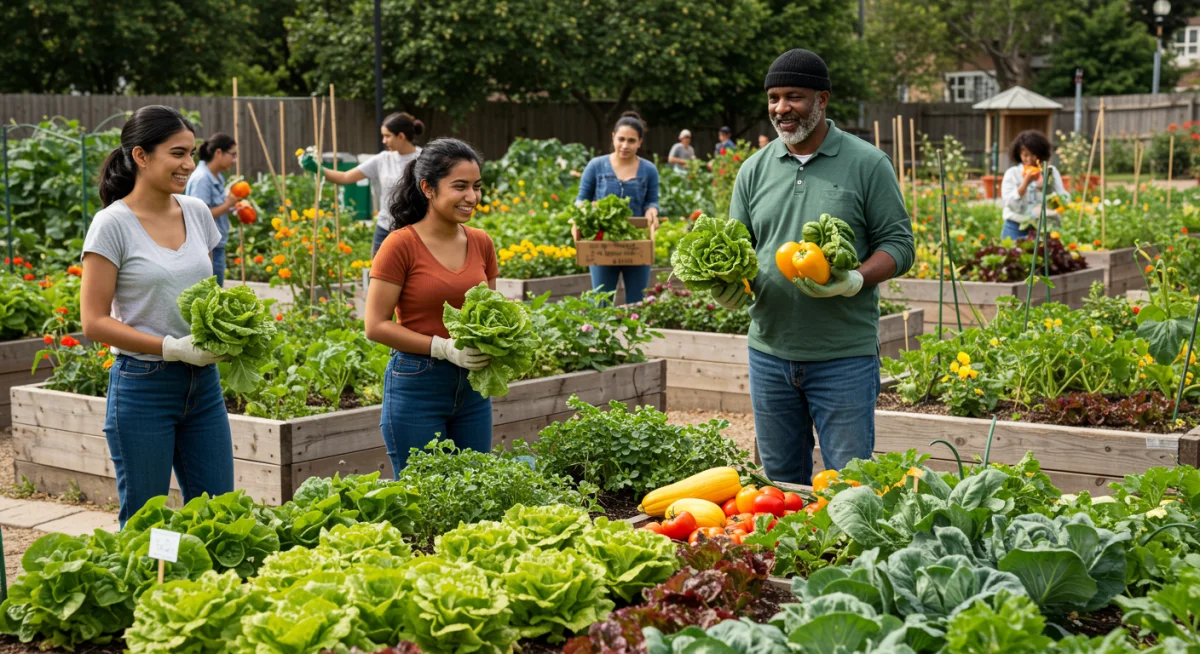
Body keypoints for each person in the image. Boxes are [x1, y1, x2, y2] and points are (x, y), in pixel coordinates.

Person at [711, 49, 914, 485]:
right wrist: (727, 285)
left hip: (842, 355)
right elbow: (737, 249)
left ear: (822, 99)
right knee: (780, 484)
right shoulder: (753, 169)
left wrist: (855, 278)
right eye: (773, 98)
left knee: (849, 483)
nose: (781, 109)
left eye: (794, 97)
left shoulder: (867, 164)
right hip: (768, 352)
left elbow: (900, 245)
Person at [81, 106, 231, 526]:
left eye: (192, 153)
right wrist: (171, 347)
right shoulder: (112, 225)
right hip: (143, 387)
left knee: (218, 513)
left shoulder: (197, 212)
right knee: (146, 521)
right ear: (141, 156)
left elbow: (208, 296)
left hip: (203, 387)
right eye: (177, 153)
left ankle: (204, 592)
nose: (188, 164)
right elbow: (94, 322)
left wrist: (230, 332)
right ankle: (152, 591)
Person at [363, 138, 498, 475]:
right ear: (428, 188)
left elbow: (493, 314)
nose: (472, 197)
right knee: (424, 498)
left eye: (476, 187)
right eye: (460, 186)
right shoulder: (399, 245)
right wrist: (442, 347)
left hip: (473, 388)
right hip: (417, 385)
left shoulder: (481, 242)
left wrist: (500, 343)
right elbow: (375, 325)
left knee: (476, 489)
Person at [301, 112, 424, 257]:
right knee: (380, 275)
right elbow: (345, 177)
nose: (383, 141)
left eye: (387, 136)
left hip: (417, 229)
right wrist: (318, 169)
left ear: (401, 136)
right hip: (385, 228)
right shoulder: (383, 159)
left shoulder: (424, 159)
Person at [576, 111, 660, 306]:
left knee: (637, 303)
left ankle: (634, 336)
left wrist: (651, 211)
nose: (625, 145)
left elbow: (652, 201)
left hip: (635, 241)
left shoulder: (648, 170)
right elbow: (581, 199)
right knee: (601, 301)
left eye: (631, 141)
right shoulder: (596, 166)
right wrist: (587, 210)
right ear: (613, 137)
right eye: (621, 139)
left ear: (639, 142)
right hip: (602, 242)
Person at [185, 133, 238, 286]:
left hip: (216, 246)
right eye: (233, 155)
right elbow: (199, 216)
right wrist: (227, 204)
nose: (234, 160)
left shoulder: (216, 176)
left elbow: (214, 208)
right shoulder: (202, 179)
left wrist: (233, 206)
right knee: (211, 296)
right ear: (219, 153)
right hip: (207, 249)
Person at [1000, 130, 1068, 240]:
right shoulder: (1012, 173)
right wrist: (1026, 183)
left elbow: (1063, 198)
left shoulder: (1050, 172)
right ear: (1019, 154)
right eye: (1025, 155)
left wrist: (1046, 187)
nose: (1030, 160)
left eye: (1034, 155)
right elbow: (1010, 204)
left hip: (1045, 226)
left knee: (1045, 256)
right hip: (1016, 227)